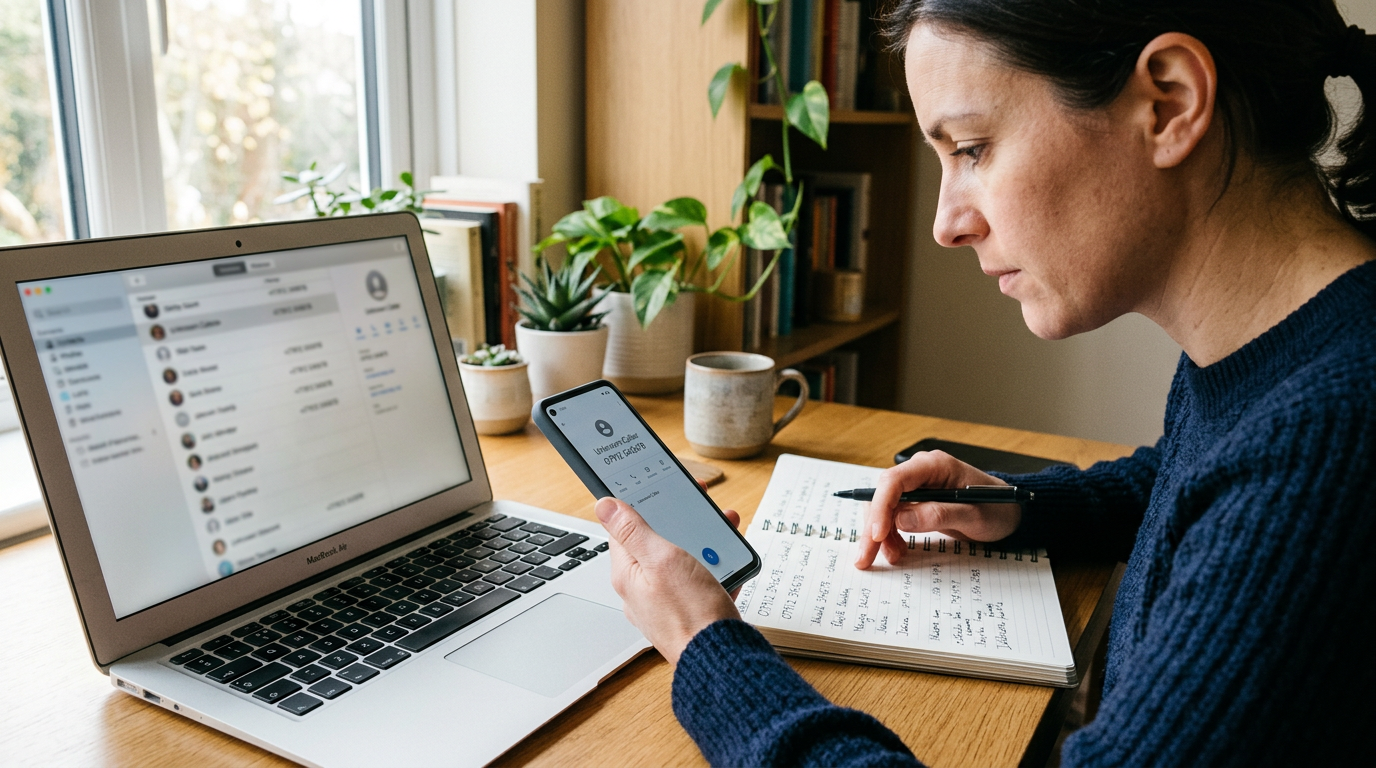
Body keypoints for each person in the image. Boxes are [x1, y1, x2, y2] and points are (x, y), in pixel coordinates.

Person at [592, 2, 1376, 766]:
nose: (946, 224)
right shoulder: (1289, 351)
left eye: (971, 148)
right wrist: (1018, 507)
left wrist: (708, 648)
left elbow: (1262, 488)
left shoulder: (1332, 441)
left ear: (1168, 103)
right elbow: (1192, 482)